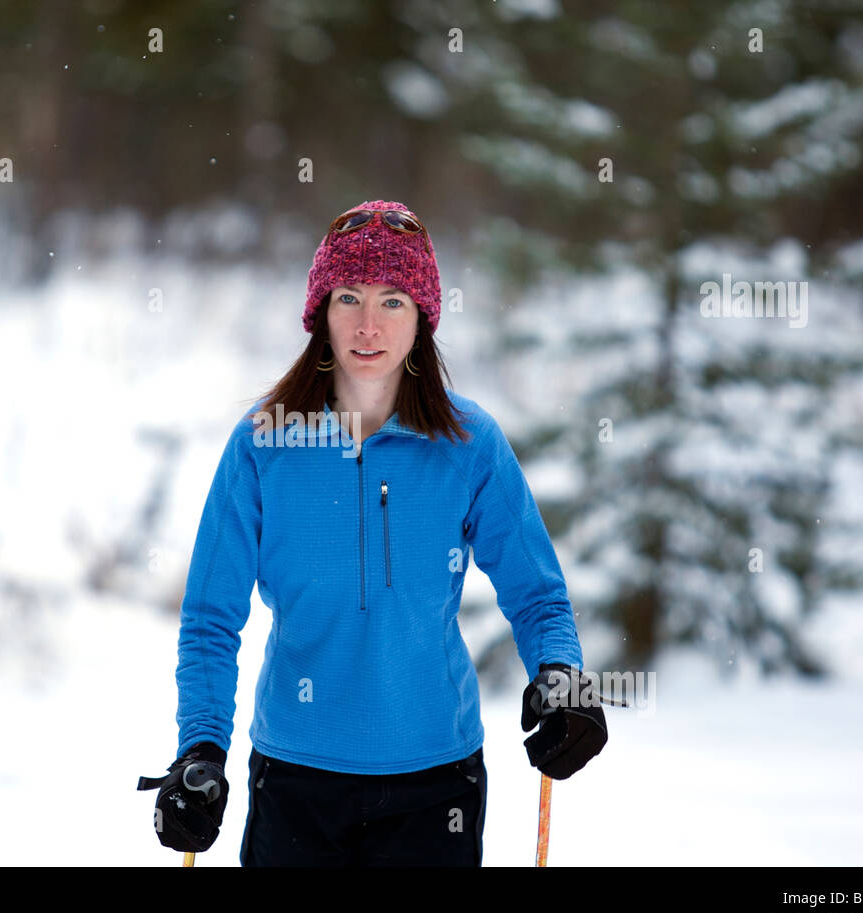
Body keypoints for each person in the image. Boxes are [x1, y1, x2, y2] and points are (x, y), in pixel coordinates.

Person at [138, 199, 607, 866]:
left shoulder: (469, 445)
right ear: (320, 314)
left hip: (434, 785)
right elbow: (212, 619)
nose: (367, 324)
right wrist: (202, 750)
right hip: (295, 781)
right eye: (349, 297)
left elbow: (538, 595)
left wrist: (564, 680)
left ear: (422, 318)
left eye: (393, 301)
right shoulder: (263, 445)